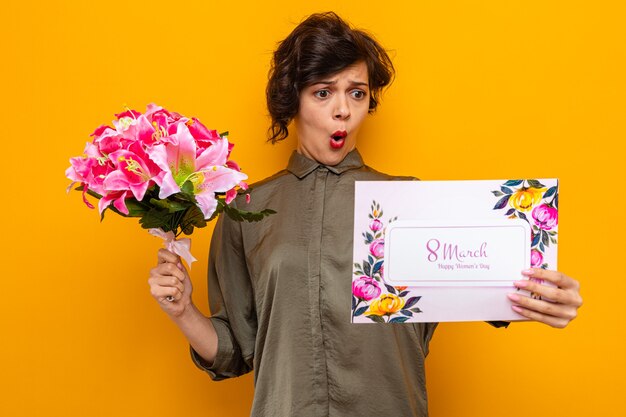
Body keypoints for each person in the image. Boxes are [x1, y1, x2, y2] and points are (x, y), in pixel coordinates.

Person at [148, 11, 583, 417]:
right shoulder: (246, 209)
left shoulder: (412, 202)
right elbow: (234, 351)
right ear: (293, 100)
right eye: (323, 92)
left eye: (356, 93)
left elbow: (484, 282)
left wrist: (545, 296)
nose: (343, 110)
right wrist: (182, 310)